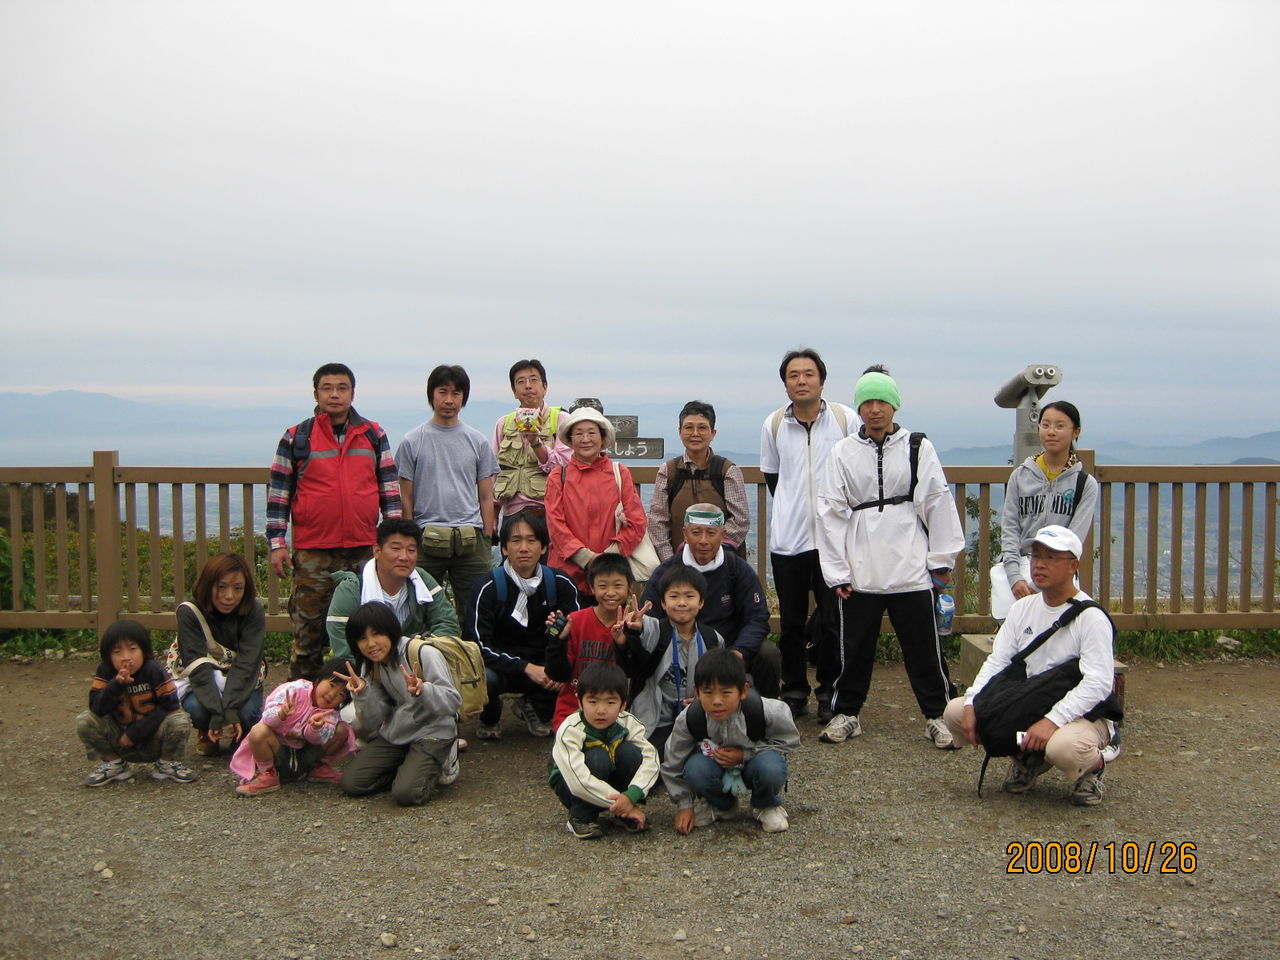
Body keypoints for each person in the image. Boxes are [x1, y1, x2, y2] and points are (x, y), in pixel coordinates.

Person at [815, 365, 966, 750]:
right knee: (855, 645)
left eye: (882, 401)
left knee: (923, 647)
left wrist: (941, 561)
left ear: (895, 405)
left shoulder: (918, 446)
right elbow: (830, 511)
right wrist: (837, 572)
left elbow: (936, 502)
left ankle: (938, 714)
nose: (874, 409)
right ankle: (847, 712)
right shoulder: (843, 452)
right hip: (861, 562)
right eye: (867, 401)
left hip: (911, 561)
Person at [944, 525, 1117, 806]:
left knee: (1064, 747)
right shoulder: (1022, 608)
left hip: (1083, 715)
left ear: (1074, 565)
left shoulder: (1091, 617)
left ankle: (1092, 767)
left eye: (1051, 557)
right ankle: (1029, 758)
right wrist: (972, 702)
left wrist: (1052, 722)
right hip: (1032, 702)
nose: (1039, 564)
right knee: (956, 711)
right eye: (1036, 556)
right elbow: (998, 660)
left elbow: (1098, 683)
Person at [267, 362, 402, 679]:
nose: (335, 394)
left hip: (364, 549)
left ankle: (363, 693)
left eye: (342, 388)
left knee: (365, 625)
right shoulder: (296, 438)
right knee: (308, 628)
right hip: (313, 550)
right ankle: (301, 698)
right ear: (316, 393)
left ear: (353, 393)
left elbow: (390, 491)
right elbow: (278, 495)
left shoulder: (372, 434)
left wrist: (392, 541)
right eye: (327, 388)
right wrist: (277, 543)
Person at [759, 348, 856, 719]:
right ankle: (794, 690)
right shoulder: (773, 425)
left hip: (835, 542)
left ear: (821, 380)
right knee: (792, 623)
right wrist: (793, 509)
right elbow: (773, 477)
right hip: (789, 541)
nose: (801, 381)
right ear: (785, 385)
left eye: (808, 374)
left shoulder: (846, 420)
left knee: (833, 622)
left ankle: (829, 691)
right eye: (793, 375)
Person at [640, 504, 781, 699]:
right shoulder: (667, 571)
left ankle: (766, 712)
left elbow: (757, 617)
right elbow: (649, 617)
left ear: (723, 534)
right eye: (696, 532)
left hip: (728, 648)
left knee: (768, 654)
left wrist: (739, 651)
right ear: (685, 534)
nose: (703, 541)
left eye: (711, 533)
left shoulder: (737, 569)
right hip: (679, 649)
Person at [464, 511, 584, 740]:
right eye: (516, 541)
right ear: (505, 549)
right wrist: (526, 667)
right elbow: (477, 646)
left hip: (545, 666)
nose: (524, 548)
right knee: (485, 676)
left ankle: (535, 706)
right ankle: (490, 716)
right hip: (502, 667)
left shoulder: (560, 584)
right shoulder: (487, 587)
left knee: (570, 664)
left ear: (544, 548)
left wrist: (555, 657)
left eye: (531, 541)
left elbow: (576, 634)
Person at [397, 364, 500, 619]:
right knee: (421, 610)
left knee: (475, 611)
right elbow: (405, 498)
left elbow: (486, 496)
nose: (449, 400)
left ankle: (472, 658)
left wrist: (486, 537)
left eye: (456, 393)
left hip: (471, 538)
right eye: (443, 392)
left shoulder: (477, 441)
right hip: (425, 537)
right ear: (431, 395)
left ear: (464, 397)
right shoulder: (413, 440)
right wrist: (410, 539)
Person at [661, 649, 800, 834]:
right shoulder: (690, 718)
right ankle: (722, 805)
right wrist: (684, 804)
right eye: (708, 692)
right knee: (695, 769)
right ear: (697, 692)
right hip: (714, 766)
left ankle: (764, 805)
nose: (717, 701)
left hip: (756, 764)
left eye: (726, 693)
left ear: (743, 690)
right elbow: (672, 762)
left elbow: (789, 741)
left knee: (771, 767)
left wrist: (745, 755)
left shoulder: (767, 711)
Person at [338, 602, 462, 806]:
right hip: (398, 732)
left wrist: (424, 690)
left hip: (433, 731)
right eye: (362, 638)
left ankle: (445, 760)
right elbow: (372, 721)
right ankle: (411, 768)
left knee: (407, 794)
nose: (370, 644)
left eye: (376, 634)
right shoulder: (370, 665)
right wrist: (362, 694)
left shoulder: (422, 653)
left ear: (391, 630)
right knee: (352, 783)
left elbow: (452, 702)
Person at [994, 400, 1099, 619]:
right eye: (1045, 425)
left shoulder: (1085, 484)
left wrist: (1038, 582)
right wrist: (1015, 578)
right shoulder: (1020, 476)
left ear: (1075, 432)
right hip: (1020, 571)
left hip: (1060, 579)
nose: (1051, 432)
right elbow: (1010, 528)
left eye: (1060, 426)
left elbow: (1074, 539)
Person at [617, 565, 725, 756]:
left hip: (697, 718)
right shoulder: (655, 630)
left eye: (689, 596)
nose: (682, 603)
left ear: (701, 603)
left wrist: (704, 700)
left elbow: (720, 681)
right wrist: (633, 631)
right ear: (664, 603)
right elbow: (643, 630)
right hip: (657, 719)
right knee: (637, 762)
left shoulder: (713, 639)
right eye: (674, 596)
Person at [76, 620, 195, 786]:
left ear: (144, 651)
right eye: (117, 651)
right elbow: (97, 708)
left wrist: (138, 731)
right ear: (108, 655)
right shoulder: (105, 671)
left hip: (153, 737)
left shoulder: (154, 671)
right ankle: (114, 764)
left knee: (180, 720)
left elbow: (170, 705)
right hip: (119, 739)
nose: (126, 657)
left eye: (132, 649)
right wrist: (116, 685)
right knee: (85, 720)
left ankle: (166, 763)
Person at [548, 662, 660, 839]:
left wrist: (632, 795)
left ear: (623, 705)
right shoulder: (570, 729)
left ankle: (620, 813)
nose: (601, 710)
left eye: (610, 702)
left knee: (631, 753)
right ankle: (581, 816)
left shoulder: (628, 722)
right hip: (572, 788)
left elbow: (651, 758)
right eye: (592, 701)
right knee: (598, 757)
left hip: (616, 793)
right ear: (580, 702)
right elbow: (577, 780)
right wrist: (624, 804)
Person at [325, 518, 461, 663]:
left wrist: (421, 655)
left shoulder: (422, 579)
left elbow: (448, 623)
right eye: (396, 549)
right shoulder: (352, 588)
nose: (404, 557)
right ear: (377, 551)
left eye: (411, 550)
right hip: (367, 672)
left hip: (417, 666)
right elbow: (342, 642)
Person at [545, 406, 648, 596]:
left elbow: (637, 521)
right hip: (568, 573)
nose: (585, 439)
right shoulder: (558, 476)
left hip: (611, 575)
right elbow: (555, 525)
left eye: (591, 433)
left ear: (602, 438)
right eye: (579, 434)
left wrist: (608, 556)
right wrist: (586, 557)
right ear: (570, 439)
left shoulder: (620, 473)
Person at [174, 553, 267, 756]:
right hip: (205, 678)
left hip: (242, 677)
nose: (229, 596)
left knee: (247, 712)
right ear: (208, 585)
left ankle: (241, 733)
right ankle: (206, 730)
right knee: (197, 710)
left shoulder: (253, 611)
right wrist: (217, 713)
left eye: (238, 588)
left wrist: (231, 710)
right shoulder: (190, 612)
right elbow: (197, 666)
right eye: (221, 586)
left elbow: (247, 664)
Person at [230, 657, 358, 796]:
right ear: (319, 679)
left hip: (306, 756)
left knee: (342, 730)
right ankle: (269, 773)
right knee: (258, 731)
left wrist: (315, 728)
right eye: (332, 685)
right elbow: (266, 719)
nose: (331, 695)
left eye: (340, 694)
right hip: (279, 751)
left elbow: (318, 740)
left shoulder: (331, 713)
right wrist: (281, 714)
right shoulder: (294, 689)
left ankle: (316, 767)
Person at [545, 554, 639, 728]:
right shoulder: (576, 621)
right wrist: (559, 639)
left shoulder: (634, 624)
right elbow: (558, 674)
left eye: (618, 585)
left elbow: (635, 671)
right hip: (573, 711)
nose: (610, 592)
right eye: (603, 586)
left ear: (629, 587)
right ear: (592, 588)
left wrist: (625, 642)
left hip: (616, 714)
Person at [647, 401, 750, 560]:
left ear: (713, 433)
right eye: (688, 427)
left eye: (702, 427)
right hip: (679, 563)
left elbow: (740, 520)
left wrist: (712, 551)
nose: (695, 433)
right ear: (680, 432)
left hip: (723, 562)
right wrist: (670, 560)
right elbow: (657, 522)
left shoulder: (727, 470)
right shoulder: (669, 471)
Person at [492, 359, 572, 519]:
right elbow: (494, 472)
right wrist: (493, 517)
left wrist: (536, 443)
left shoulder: (561, 420)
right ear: (514, 391)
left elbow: (565, 468)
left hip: (551, 514)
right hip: (512, 515)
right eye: (521, 382)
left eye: (534, 380)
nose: (528, 386)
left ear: (545, 387)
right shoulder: (504, 423)